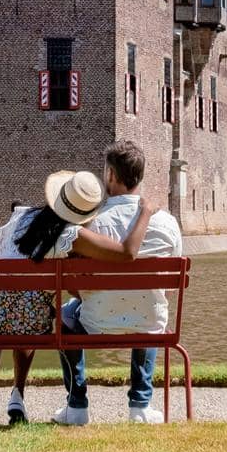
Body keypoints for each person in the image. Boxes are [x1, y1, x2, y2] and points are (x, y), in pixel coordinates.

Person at [0, 169, 152, 424]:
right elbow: (125, 253)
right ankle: (17, 394)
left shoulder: (21, 216)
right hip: (27, 319)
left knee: (4, 300)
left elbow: (1, 257)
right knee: (32, 309)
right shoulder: (71, 235)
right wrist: (146, 211)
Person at [54, 140, 183, 425]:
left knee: (65, 316)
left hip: (96, 323)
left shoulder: (91, 224)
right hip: (150, 323)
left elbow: (73, 285)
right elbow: (170, 288)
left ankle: (76, 405)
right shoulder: (168, 223)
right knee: (151, 311)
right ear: (140, 176)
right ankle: (140, 404)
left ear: (111, 174)